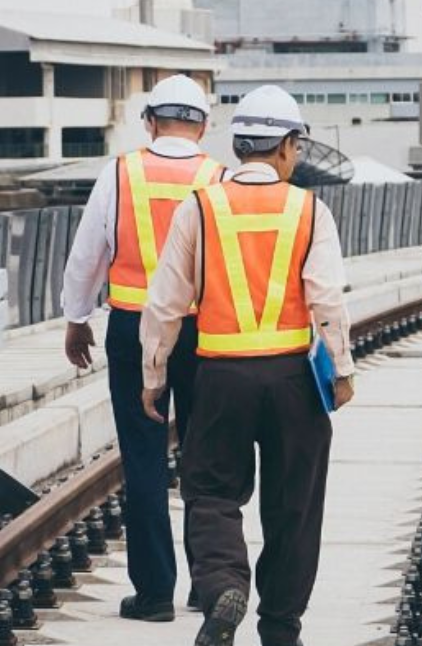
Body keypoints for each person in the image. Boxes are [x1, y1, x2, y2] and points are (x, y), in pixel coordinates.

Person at [137, 85, 356, 646]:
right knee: (295, 507)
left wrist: (154, 374)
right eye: (296, 147)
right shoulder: (310, 209)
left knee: (209, 493)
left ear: (237, 146)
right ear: (285, 145)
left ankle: (222, 587)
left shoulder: (200, 207)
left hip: (219, 378)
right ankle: (280, 627)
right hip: (292, 382)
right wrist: (343, 366)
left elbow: (164, 302)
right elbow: (327, 297)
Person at [58, 73, 223, 623]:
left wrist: (77, 319)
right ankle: (208, 583)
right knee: (205, 457)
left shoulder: (121, 173)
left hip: (133, 328)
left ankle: (154, 595)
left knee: (144, 458)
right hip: (203, 333)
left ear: (150, 122)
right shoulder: (219, 179)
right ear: (203, 125)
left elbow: (88, 255)